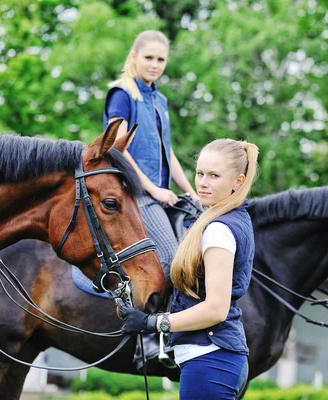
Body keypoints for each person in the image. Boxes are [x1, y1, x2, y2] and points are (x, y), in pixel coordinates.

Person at [118, 139, 260, 400]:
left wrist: (153, 322)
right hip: (217, 360)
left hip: (210, 361)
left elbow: (216, 309)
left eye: (214, 176)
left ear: (238, 182)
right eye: (200, 173)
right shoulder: (231, 217)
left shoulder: (219, 229)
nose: (203, 182)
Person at [103, 30, 199, 285]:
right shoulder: (122, 94)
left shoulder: (160, 100)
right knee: (171, 258)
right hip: (134, 193)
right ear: (134, 57)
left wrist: (191, 193)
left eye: (161, 59)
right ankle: (151, 324)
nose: (155, 65)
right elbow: (116, 148)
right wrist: (154, 190)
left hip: (161, 195)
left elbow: (167, 152)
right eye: (149, 58)